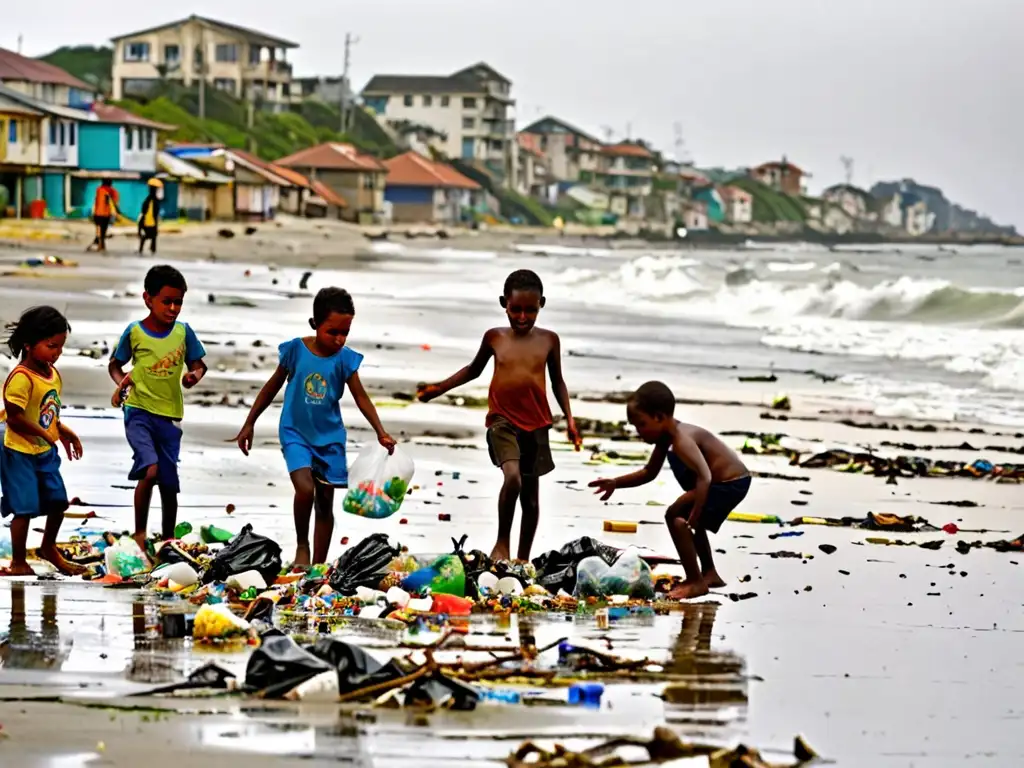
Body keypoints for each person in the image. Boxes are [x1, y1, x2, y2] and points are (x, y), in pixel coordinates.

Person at [418, 269, 579, 562]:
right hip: (502, 421)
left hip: (537, 423)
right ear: (503, 302)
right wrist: (438, 388)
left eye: (530, 310)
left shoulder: (549, 340)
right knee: (513, 477)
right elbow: (472, 370)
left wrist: (569, 419)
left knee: (531, 498)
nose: (522, 316)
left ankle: (522, 558)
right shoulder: (494, 337)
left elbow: (558, 382)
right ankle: (502, 543)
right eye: (515, 309)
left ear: (542, 304)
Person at [233, 287, 397, 567]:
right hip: (295, 432)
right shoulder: (295, 351)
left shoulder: (346, 359)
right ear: (315, 324)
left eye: (345, 332)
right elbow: (271, 387)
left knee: (324, 502)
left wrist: (380, 431)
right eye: (333, 331)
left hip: (330, 439)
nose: (339, 339)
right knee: (305, 489)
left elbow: (361, 397)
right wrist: (250, 423)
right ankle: (302, 547)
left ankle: (318, 566)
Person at [589, 381, 750, 599]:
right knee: (688, 517)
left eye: (642, 425)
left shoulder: (681, 440)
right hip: (725, 481)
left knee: (675, 515)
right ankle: (709, 574)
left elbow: (705, 476)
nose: (639, 432)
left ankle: (695, 582)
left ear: (659, 417)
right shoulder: (667, 437)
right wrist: (616, 483)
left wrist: (695, 513)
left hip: (728, 483)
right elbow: (649, 472)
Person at [108, 265, 207, 552]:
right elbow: (116, 365)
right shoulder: (135, 332)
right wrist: (122, 384)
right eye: (167, 301)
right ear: (148, 299)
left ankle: (167, 540)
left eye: (179, 302)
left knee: (168, 480)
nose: (173, 308)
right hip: (138, 411)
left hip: (170, 415)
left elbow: (199, 365)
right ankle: (140, 533)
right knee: (149, 470)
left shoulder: (183, 333)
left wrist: (193, 377)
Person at [0, 306, 85, 577]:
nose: (57, 353)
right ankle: (18, 562)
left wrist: (63, 431)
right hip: (18, 451)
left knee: (58, 501)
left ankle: (49, 547)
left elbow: (48, 413)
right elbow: (14, 418)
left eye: (60, 347)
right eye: (51, 346)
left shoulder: (52, 374)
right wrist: (44, 434)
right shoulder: (21, 378)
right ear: (29, 344)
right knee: (23, 508)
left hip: (44, 450)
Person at [87, 178, 119, 252]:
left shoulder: (99, 189)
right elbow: (115, 201)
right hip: (107, 214)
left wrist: (94, 212)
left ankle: (100, 245)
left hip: (98, 213)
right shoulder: (112, 191)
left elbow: (96, 201)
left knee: (99, 229)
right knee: (103, 230)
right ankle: (102, 245)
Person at [138, 178, 163, 255]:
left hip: (147, 219)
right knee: (150, 235)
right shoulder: (153, 200)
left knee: (153, 235)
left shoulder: (148, 199)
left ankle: (151, 248)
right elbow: (154, 211)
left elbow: (143, 209)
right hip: (150, 221)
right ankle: (147, 248)